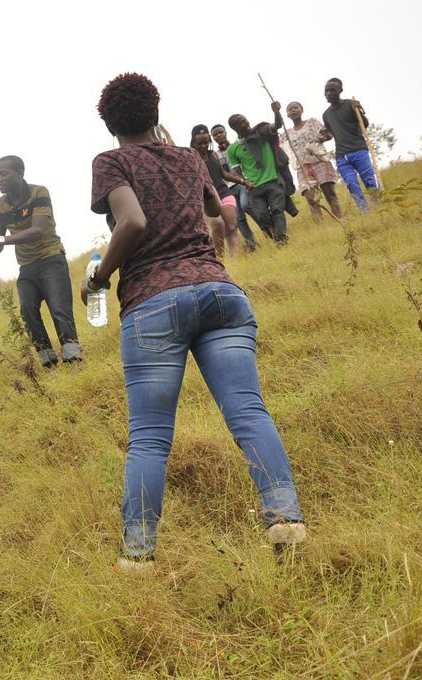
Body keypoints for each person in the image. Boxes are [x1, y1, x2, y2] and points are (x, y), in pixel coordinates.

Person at [88, 73, 306, 571]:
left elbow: (133, 222)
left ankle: (139, 557)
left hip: (153, 301)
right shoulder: (188, 158)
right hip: (220, 293)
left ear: (108, 122)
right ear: (156, 112)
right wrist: (174, 160)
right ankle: (286, 522)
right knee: (248, 412)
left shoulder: (111, 162)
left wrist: (100, 277)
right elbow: (216, 210)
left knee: (149, 436)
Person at [0, 156, 82, 367]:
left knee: (59, 310)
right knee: (27, 311)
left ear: (20, 173)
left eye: (4, 173)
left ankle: (73, 358)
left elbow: (37, 231)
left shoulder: (40, 192)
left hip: (51, 258)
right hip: (27, 266)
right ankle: (48, 363)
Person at [227, 102, 290, 244]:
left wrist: (276, 112)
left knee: (277, 210)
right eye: (241, 123)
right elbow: (237, 172)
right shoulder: (233, 149)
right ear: (235, 128)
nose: (246, 123)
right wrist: (245, 182)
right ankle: (274, 236)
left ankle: (282, 240)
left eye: (245, 120)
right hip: (254, 187)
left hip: (273, 180)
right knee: (261, 215)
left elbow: (277, 125)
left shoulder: (261, 132)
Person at [189, 124, 252, 257]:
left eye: (206, 142)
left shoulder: (214, 156)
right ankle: (219, 259)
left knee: (231, 227)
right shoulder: (191, 158)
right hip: (206, 198)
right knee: (217, 225)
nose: (203, 145)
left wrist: (241, 181)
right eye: (199, 143)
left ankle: (237, 260)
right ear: (194, 142)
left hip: (224, 193)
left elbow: (223, 174)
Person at [320, 77, 378, 213]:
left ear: (340, 90)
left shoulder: (350, 104)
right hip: (341, 155)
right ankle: (365, 213)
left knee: (370, 182)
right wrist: (323, 136)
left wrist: (359, 109)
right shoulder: (326, 115)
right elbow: (331, 133)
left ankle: (379, 209)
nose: (328, 93)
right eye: (326, 91)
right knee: (352, 184)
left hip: (359, 150)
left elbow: (365, 124)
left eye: (332, 90)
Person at [281, 102, 342, 224]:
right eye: (290, 109)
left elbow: (328, 135)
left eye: (295, 107)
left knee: (329, 193)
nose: (293, 110)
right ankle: (321, 228)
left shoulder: (312, 122)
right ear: (287, 115)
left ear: (301, 109)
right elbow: (281, 148)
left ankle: (339, 220)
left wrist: (318, 139)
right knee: (311, 198)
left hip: (319, 161)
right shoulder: (285, 134)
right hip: (302, 168)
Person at [212, 123, 260, 251]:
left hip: (243, 182)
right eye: (215, 134)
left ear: (225, 132)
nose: (218, 135)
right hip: (228, 188)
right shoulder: (215, 155)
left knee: (247, 205)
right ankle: (252, 244)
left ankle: (268, 228)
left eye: (220, 132)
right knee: (238, 218)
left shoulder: (237, 146)